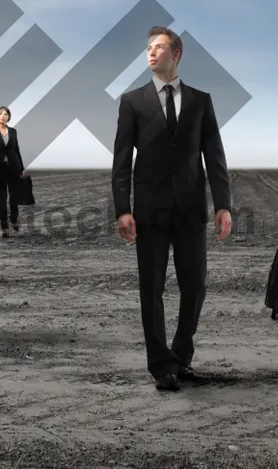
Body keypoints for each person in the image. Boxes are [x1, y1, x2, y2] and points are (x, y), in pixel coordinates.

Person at [112, 26, 232, 392]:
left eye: (158, 47)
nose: (150, 53)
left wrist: (223, 205)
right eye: (148, 48)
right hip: (149, 210)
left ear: (175, 54)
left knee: (194, 287)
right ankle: (162, 366)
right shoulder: (132, 101)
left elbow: (215, 157)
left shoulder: (200, 100)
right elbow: (121, 160)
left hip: (192, 209)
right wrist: (123, 208)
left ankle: (181, 357)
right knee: (152, 289)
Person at [0, 106, 27, 237]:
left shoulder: (13, 131)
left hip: (14, 167)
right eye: (1, 114)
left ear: (8, 117)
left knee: (14, 195)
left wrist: (22, 168)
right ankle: (4, 226)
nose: (3, 116)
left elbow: (16, 149)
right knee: (2, 196)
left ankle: (13, 219)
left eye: (6, 114)